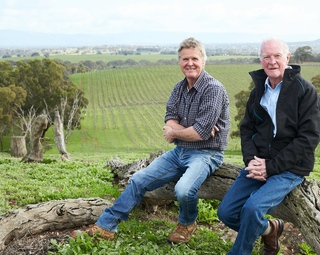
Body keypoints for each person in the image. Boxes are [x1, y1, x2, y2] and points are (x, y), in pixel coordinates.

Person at [77, 37, 230, 243]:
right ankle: (106, 226)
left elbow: (198, 134)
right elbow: (170, 120)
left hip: (207, 153)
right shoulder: (179, 88)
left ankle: (187, 223)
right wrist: (191, 129)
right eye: (185, 59)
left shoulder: (214, 89)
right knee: (138, 180)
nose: (190, 63)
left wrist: (179, 131)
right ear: (179, 62)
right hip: (180, 152)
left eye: (194, 58)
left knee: (183, 189)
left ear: (203, 60)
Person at [217, 38, 320, 255]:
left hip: (291, 166)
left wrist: (272, 167)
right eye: (266, 57)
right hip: (259, 163)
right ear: (260, 59)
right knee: (226, 213)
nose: (272, 61)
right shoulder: (259, 91)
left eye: (277, 56)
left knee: (252, 208)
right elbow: (246, 129)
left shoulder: (305, 91)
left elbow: (309, 138)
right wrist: (252, 161)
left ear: (287, 58)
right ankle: (270, 229)